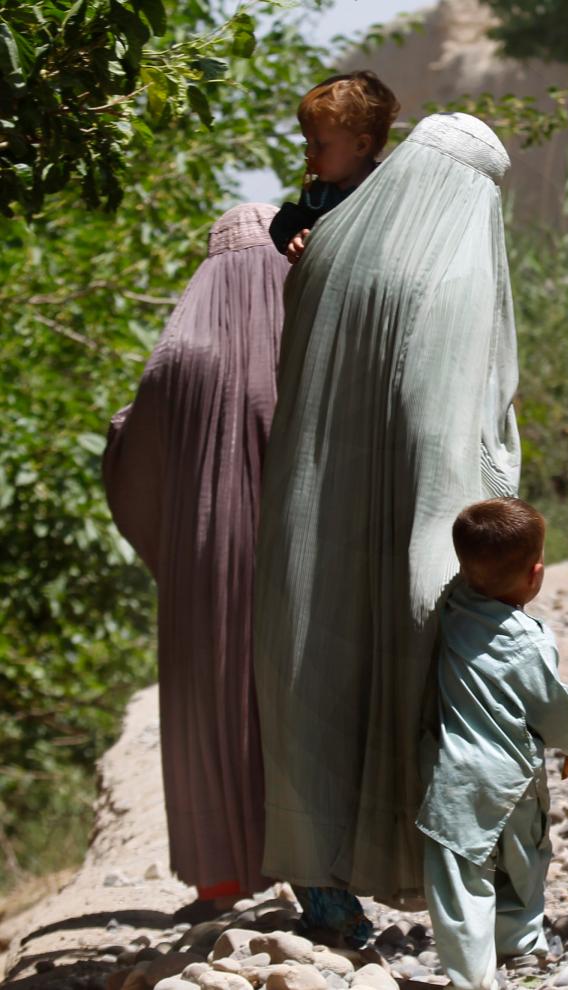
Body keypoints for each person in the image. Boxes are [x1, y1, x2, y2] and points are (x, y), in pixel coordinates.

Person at [253, 113, 522, 942]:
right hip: (416, 508)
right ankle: (459, 888)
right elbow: (470, 424)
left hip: (306, 513)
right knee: (414, 674)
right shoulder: (453, 272)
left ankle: (320, 885)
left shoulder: (328, 245)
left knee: (314, 670)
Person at [101, 203, 289, 914]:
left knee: (208, 703)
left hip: (204, 570)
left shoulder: (178, 351)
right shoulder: (297, 335)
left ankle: (221, 882)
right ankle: (316, 875)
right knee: (288, 703)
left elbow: (134, 453)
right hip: (287, 564)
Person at [419, 498, 568, 987]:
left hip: (454, 780)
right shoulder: (531, 640)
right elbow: (552, 704)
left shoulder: (451, 609)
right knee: (524, 865)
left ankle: (474, 978)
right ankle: (521, 949)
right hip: (512, 777)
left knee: (460, 885)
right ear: (536, 574)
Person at [269, 70, 400, 264]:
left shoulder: (390, 190)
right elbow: (289, 225)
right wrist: (295, 238)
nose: (310, 153)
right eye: (308, 143)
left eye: (320, 145)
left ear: (361, 146)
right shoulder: (317, 195)